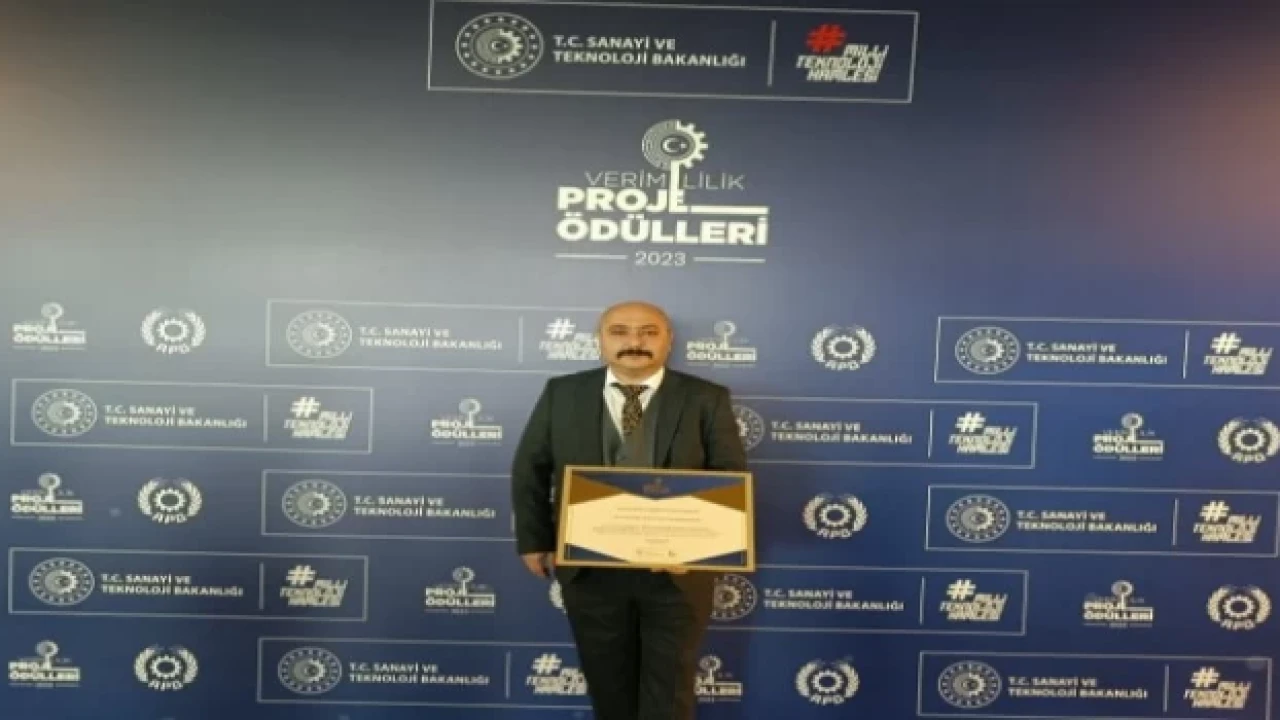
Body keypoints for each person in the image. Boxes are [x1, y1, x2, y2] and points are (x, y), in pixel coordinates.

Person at [511, 300, 748, 720]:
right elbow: (531, 468)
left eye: (648, 332)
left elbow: (729, 477)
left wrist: (699, 548)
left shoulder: (706, 397)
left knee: (669, 693)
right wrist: (534, 540)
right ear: (600, 340)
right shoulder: (562, 393)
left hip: (678, 576)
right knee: (608, 689)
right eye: (619, 331)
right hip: (590, 571)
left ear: (668, 341)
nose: (634, 341)